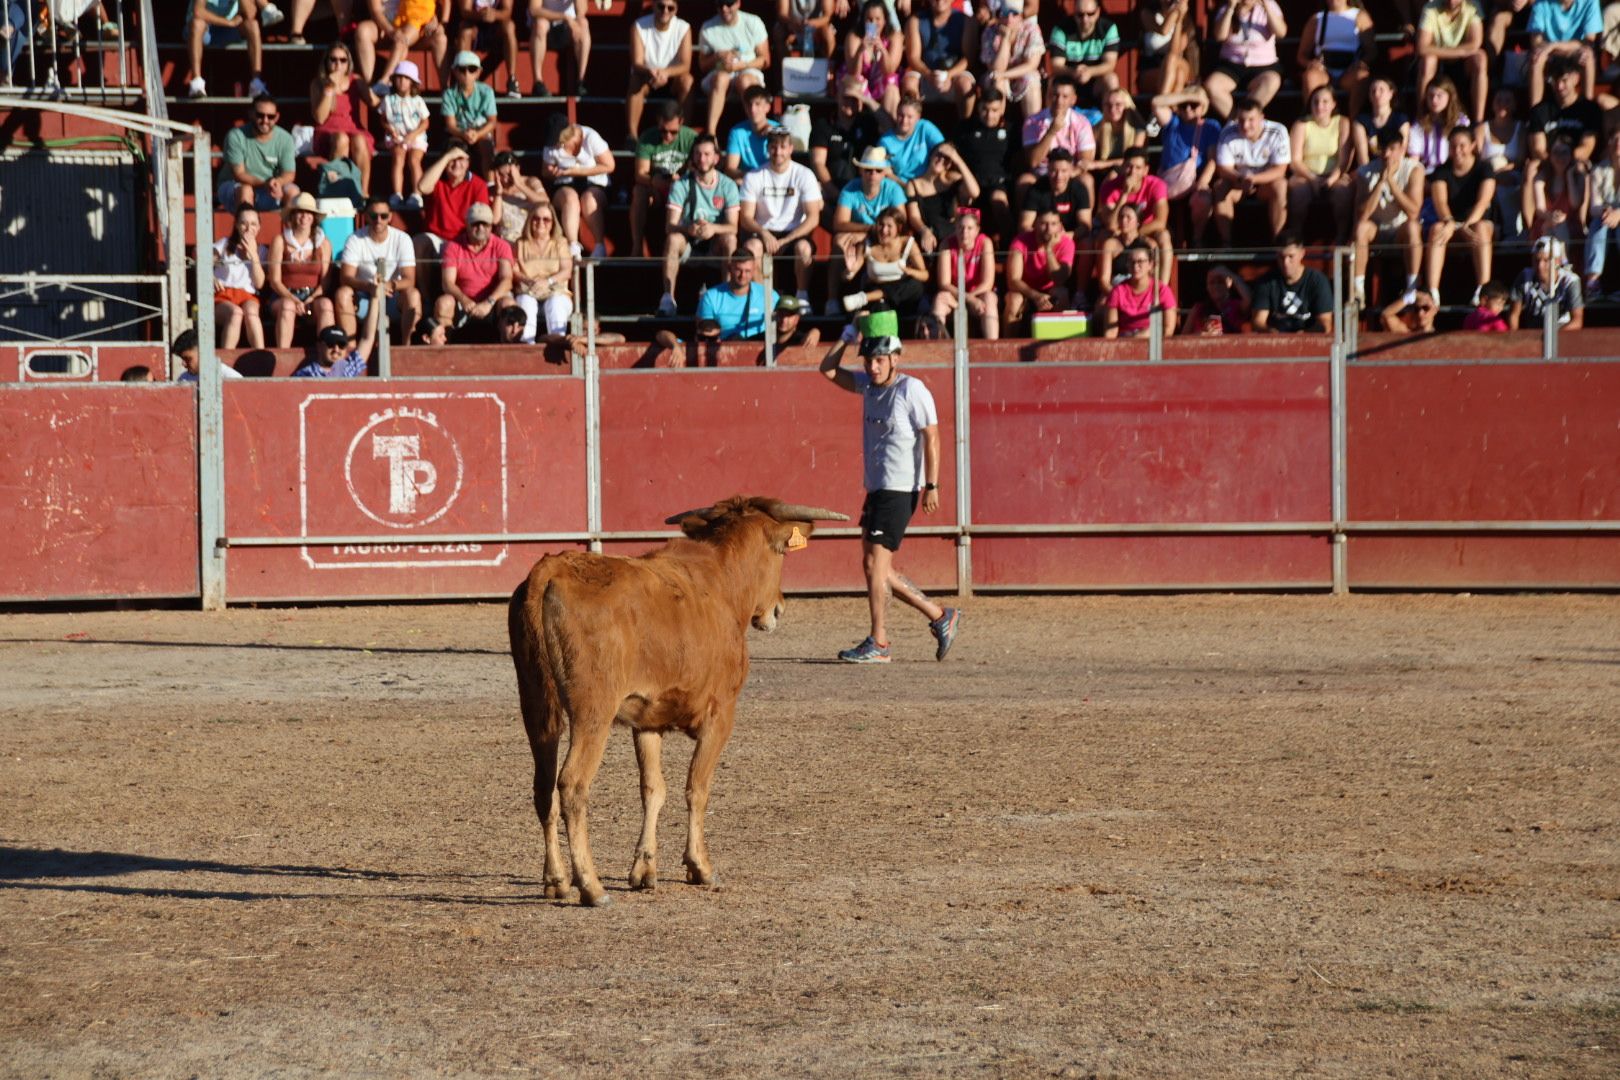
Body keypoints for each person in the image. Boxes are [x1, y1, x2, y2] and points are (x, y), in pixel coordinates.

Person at [818, 328, 959, 665]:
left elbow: (933, 436)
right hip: (878, 487)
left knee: (875, 567)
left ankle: (879, 641)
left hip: (899, 489)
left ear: (896, 359)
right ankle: (940, 615)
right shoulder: (868, 386)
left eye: (880, 360)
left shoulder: (912, 389)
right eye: (868, 360)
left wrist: (933, 485)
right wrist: (846, 336)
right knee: (875, 566)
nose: (873, 367)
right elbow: (827, 369)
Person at [739, 129, 824, 307]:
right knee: (752, 247)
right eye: (774, 147)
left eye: (783, 147)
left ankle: (802, 298)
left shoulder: (804, 174)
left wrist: (788, 239)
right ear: (768, 148)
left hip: (794, 232)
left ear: (791, 148)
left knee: (803, 248)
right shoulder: (754, 176)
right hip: (764, 232)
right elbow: (745, 217)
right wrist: (763, 233)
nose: (778, 152)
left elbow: (813, 217)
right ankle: (762, 302)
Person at [660, 133, 741, 316]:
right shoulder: (681, 184)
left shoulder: (727, 185)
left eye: (707, 154)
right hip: (689, 243)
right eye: (698, 154)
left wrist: (713, 229)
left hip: (715, 246)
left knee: (730, 239)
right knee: (673, 239)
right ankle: (667, 298)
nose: (702, 159)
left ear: (716, 157)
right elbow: (670, 225)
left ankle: (728, 298)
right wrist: (688, 228)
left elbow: (733, 226)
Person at [337, 195, 423, 347]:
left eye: (383, 216)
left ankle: (407, 348)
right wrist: (370, 287)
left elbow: (410, 279)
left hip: (393, 297)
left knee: (413, 295)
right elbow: (346, 277)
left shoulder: (402, 239)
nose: (379, 220)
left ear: (390, 217)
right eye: (373, 216)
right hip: (365, 297)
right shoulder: (355, 239)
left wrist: (390, 286)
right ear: (366, 217)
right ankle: (350, 350)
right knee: (343, 294)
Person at [1353, 132, 1425, 306]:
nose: (1386, 155)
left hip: (1400, 230)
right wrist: (1380, 183)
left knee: (1413, 227)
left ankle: (1412, 286)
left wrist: (1391, 182)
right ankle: (1358, 290)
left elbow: (1413, 211)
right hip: (1376, 230)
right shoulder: (1365, 171)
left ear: (1402, 149)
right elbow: (1362, 214)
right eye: (1383, 149)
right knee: (1361, 227)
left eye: (1392, 149)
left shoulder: (1414, 169)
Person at [1426, 125, 1496, 302]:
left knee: (1479, 229)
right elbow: (1440, 202)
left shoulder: (1484, 169)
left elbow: (1483, 201)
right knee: (1436, 229)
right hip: (1452, 223)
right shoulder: (1441, 172)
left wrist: (1467, 223)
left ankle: (1483, 289)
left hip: (1477, 222)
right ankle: (1432, 291)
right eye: (1453, 146)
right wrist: (1450, 222)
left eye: (1462, 145)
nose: (1457, 151)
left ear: (1472, 145)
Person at [416, 142, 493, 296]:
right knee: (419, 241)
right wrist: (447, 157)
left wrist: (464, 243)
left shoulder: (477, 184)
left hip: (464, 240)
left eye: (461, 159)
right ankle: (424, 298)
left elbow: (481, 220)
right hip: (437, 239)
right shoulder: (437, 179)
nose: (456, 163)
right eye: (452, 159)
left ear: (468, 163)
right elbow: (423, 187)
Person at [1212, 96, 1290, 244]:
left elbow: (1280, 170)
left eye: (1251, 120)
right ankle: (1226, 243)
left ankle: (1278, 242)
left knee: (1281, 185)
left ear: (1261, 117)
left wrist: (1253, 179)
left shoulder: (1278, 131)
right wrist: (1241, 179)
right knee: (1219, 187)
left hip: (1265, 184)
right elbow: (1223, 169)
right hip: (1238, 184)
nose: (1245, 125)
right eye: (1241, 120)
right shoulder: (1228, 132)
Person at [1151, 87, 1221, 245]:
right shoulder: (1173, 122)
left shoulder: (1210, 126)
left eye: (1193, 105)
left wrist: (1203, 182)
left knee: (1203, 198)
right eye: (1184, 105)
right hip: (1167, 180)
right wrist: (1187, 96)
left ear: (1203, 106)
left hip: (1193, 181)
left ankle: (1196, 238)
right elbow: (1156, 103)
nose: (1188, 108)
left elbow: (1212, 159)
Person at [436, 202, 517, 336]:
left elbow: (507, 280)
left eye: (485, 224)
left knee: (508, 304)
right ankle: (444, 349)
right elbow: (447, 282)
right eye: (475, 224)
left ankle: (510, 351)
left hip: (493, 300)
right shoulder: (453, 247)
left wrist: (489, 302)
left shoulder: (502, 246)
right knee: (444, 303)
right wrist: (464, 299)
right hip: (463, 302)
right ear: (467, 224)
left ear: (491, 226)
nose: (480, 228)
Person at [1288, 85, 1355, 243]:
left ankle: (1341, 236)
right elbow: (1295, 160)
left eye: (1325, 102)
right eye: (1315, 102)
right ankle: (1295, 238)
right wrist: (1313, 179)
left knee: (1343, 192)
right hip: (1306, 174)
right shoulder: (1301, 125)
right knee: (1299, 192)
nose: (1320, 106)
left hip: (1335, 174)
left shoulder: (1343, 123)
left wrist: (1330, 180)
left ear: (1333, 104)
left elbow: (1343, 160)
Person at [1018, 74, 1097, 209]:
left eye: (1065, 97)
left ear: (1073, 100)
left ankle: (1086, 225)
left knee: (1087, 180)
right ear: (1048, 96)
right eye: (1055, 95)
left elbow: (1085, 161)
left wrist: (1066, 175)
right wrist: (1051, 132)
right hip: (1043, 173)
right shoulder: (1033, 121)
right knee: (1024, 181)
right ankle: (1024, 227)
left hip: (1070, 173)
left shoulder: (1082, 122)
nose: (1059, 101)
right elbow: (1033, 161)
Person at [267, 192, 336, 348]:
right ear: (292, 215)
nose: (304, 216)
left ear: (314, 217)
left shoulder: (324, 244)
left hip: (313, 296)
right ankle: (282, 356)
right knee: (287, 307)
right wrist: (294, 299)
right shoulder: (280, 241)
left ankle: (327, 357)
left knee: (326, 305)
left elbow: (326, 280)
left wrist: (311, 299)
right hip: (283, 296)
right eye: (300, 212)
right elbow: (275, 281)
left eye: (308, 212)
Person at [309, 41, 375, 199]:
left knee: (359, 140)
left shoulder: (356, 81)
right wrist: (329, 89)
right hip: (328, 132)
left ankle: (363, 192)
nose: (338, 64)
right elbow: (320, 117)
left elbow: (374, 102)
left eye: (342, 60)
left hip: (354, 129)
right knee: (341, 139)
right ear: (327, 62)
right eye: (333, 59)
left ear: (348, 63)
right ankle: (336, 190)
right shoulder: (318, 83)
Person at [811, 76, 890, 207]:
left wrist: (867, 99)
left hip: (864, 189)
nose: (850, 102)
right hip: (832, 188)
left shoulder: (868, 122)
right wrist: (837, 195)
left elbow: (891, 128)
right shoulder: (824, 125)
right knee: (814, 197)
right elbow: (818, 163)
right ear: (837, 97)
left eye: (855, 99)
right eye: (846, 97)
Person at [838, 206, 930, 319]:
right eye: (881, 225)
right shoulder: (867, 244)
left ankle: (865, 297)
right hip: (879, 295)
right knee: (880, 307)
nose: (884, 230)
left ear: (898, 228)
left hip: (904, 297)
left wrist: (911, 271)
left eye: (889, 226)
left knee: (916, 286)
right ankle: (872, 298)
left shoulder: (908, 244)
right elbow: (849, 275)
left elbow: (925, 275)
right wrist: (849, 270)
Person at [633, 100, 699, 256]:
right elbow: (640, 173)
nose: (668, 136)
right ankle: (637, 246)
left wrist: (681, 178)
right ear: (658, 123)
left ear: (681, 122)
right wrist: (653, 181)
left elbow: (699, 169)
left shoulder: (691, 138)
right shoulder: (648, 137)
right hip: (656, 188)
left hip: (683, 188)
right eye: (663, 131)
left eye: (673, 132)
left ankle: (688, 246)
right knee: (639, 192)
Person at [1097, 147, 1172, 283]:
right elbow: (1111, 224)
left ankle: (1162, 286)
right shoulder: (1109, 187)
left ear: (1145, 170)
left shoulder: (1156, 185)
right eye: (1129, 166)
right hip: (1120, 232)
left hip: (1145, 230)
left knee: (1164, 236)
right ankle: (1103, 285)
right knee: (1102, 237)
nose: (1132, 172)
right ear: (1123, 167)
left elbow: (1160, 221)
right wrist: (1124, 194)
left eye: (1138, 168)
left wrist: (1135, 233)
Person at [698, 0, 771, 139]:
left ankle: (758, 127)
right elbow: (703, 65)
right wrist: (717, 57)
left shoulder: (753, 22)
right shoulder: (707, 28)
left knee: (745, 80)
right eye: (720, 5)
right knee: (721, 78)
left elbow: (765, 59)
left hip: (748, 71)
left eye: (729, 4)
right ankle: (711, 134)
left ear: (738, 3)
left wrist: (742, 65)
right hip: (720, 75)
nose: (724, 9)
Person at [950, 88, 1016, 240]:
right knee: (962, 195)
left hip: (998, 183)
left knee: (999, 200)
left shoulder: (1011, 130)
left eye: (994, 110)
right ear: (978, 107)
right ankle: (958, 243)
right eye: (985, 109)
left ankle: (1008, 245)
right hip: (971, 181)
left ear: (1001, 108)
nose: (989, 115)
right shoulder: (965, 128)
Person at [1203, 0, 1287, 118]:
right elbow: (1219, 36)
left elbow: (1281, 33)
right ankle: (1238, 122)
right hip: (1232, 63)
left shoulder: (1270, 5)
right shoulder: (1226, 7)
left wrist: (1266, 7)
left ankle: (1248, 118)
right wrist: (1231, 8)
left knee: (1272, 81)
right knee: (1212, 85)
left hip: (1263, 64)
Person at [542, 123, 614, 258]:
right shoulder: (551, 141)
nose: (558, 146)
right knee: (570, 198)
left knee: (589, 199)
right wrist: (553, 172)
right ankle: (573, 245)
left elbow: (610, 165)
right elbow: (545, 171)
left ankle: (599, 245)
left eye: (561, 143)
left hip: (595, 182)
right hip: (564, 183)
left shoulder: (591, 137)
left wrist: (579, 171)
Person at [217, 96, 300, 211]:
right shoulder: (236, 136)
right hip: (235, 185)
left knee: (293, 192)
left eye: (270, 116)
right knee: (245, 190)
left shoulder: (285, 139)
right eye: (260, 115)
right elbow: (239, 174)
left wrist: (278, 183)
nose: (265, 120)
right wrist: (267, 184)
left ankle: (290, 229)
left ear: (277, 117)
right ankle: (243, 227)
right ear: (251, 114)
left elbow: (289, 174)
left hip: (270, 187)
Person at [1297, 0, 1375, 122]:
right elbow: (1301, 55)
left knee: (1362, 76)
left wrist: (1362, 62)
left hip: (1350, 69)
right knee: (1310, 76)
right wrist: (1311, 63)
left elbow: (1371, 51)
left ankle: (1355, 123)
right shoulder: (1317, 19)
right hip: (1324, 70)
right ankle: (1313, 121)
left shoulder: (1359, 16)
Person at [627, 0, 693, 138]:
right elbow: (637, 62)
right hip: (647, 77)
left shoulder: (683, 27)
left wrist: (665, 73)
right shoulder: (639, 25)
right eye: (661, 6)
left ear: (676, 9)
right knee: (635, 80)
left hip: (672, 80)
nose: (665, 11)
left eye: (670, 8)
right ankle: (632, 135)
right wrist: (652, 72)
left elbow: (686, 65)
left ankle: (684, 135)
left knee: (688, 81)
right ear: (653, 6)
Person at [1415, 0, 1488, 124]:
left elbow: (1476, 43)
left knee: (1480, 58)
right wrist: (1461, 52)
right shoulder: (1430, 8)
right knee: (1428, 61)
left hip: (1464, 63)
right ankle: (1422, 116)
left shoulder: (1473, 6)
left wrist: (1460, 53)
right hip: (1439, 61)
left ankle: (1478, 121)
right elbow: (1422, 47)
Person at [932, 207, 999, 339]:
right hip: (956, 296)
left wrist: (971, 298)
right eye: (961, 227)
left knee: (990, 298)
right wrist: (968, 299)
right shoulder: (946, 244)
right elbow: (944, 283)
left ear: (977, 230)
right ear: (955, 229)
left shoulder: (985, 242)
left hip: (979, 295)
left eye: (969, 228)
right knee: (940, 298)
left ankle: (992, 347)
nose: (964, 232)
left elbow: (988, 282)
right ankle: (936, 346)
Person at [903, 0, 979, 116]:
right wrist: (928, 74)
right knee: (909, 83)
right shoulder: (915, 21)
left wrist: (949, 75)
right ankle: (913, 126)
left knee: (966, 84)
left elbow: (968, 58)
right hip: (926, 73)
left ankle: (965, 127)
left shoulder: (967, 21)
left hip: (954, 75)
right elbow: (913, 57)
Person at [512, 204, 575, 344]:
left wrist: (548, 281)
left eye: (546, 219)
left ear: (553, 223)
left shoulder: (560, 242)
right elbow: (514, 271)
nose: (541, 223)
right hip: (529, 291)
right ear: (530, 221)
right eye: (536, 218)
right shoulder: (521, 243)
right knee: (525, 302)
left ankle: (557, 344)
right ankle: (526, 348)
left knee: (555, 303)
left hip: (556, 292)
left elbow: (567, 271)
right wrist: (530, 282)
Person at [905, 143, 981, 258]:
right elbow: (914, 216)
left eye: (947, 158)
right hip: (931, 238)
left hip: (954, 239)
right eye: (938, 155)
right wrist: (924, 231)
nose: (941, 160)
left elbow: (975, 192)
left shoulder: (953, 179)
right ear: (930, 156)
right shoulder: (914, 184)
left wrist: (957, 159)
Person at [1003, 208, 1074, 330]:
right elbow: (1013, 280)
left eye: (1053, 224)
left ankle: (1059, 343)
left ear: (1060, 226)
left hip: (1051, 291)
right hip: (1025, 291)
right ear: (1035, 224)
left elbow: (1060, 279)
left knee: (1061, 293)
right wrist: (1035, 296)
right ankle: (1006, 346)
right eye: (1043, 224)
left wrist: (1048, 249)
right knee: (1014, 300)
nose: (1048, 229)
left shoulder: (1067, 243)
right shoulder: (1020, 241)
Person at [184, 0, 269, 99]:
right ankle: (197, 82)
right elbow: (198, 12)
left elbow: (250, 14)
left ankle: (256, 83)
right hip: (204, 30)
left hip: (228, 30)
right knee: (197, 23)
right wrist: (228, 22)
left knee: (252, 24)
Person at [1252, 232, 1334, 333]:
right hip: (1275, 342)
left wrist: (1304, 335)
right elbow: (1258, 321)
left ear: (1302, 254)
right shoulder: (1266, 281)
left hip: (1309, 341)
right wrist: (1271, 333)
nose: (1286, 262)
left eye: (1291, 256)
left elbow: (1325, 323)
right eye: (1281, 257)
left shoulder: (1317, 281)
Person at [356, 0, 448, 89]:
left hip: (417, 27)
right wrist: (391, 31)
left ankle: (446, 90)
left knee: (440, 38)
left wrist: (438, 21)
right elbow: (376, 11)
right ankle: (369, 84)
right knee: (363, 31)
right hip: (386, 26)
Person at [1046, 0, 1120, 108]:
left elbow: (1110, 64)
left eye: (1090, 14)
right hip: (1069, 80)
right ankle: (1049, 121)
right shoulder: (1061, 29)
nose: (1085, 19)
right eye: (1080, 15)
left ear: (1098, 12)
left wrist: (1089, 72)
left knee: (1111, 79)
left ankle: (1110, 122)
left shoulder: (1108, 28)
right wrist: (1074, 72)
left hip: (1096, 81)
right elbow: (1056, 66)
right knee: (1052, 82)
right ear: (1074, 13)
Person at [979, 0, 1045, 118]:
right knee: (996, 80)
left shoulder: (1031, 29)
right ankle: (998, 125)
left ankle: (1033, 128)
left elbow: (1031, 65)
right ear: (999, 15)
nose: (1009, 18)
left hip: (1020, 74)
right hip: (999, 76)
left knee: (1031, 79)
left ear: (1020, 16)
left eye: (1014, 14)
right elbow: (996, 69)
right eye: (1005, 13)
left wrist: (1005, 75)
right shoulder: (990, 31)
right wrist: (1005, 40)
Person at [379, 59, 431, 211]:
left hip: (416, 137)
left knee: (414, 160)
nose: (402, 82)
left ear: (412, 82)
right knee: (398, 157)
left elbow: (425, 122)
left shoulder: (417, 101)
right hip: (397, 137)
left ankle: (416, 193)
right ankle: (397, 193)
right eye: (399, 78)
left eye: (406, 78)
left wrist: (413, 135)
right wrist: (390, 129)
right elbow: (383, 119)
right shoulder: (388, 100)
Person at [841, 0, 904, 122]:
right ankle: (854, 131)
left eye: (877, 19)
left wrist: (882, 49)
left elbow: (889, 71)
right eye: (869, 19)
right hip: (859, 80)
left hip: (881, 82)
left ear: (885, 20)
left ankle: (889, 130)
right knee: (851, 86)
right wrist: (861, 50)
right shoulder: (854, 36)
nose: (873, 23)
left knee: (891, 88)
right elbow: (854, 72)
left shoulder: (894, 36)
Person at [213, 205, 266, 350]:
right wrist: (210, 277)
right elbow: (200, 258)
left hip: (247, 296)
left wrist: (253, 255)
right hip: (223, 294)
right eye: (244, 223)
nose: (249, 228)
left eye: (253, 224)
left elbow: (259, 283)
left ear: (259, 227)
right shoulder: (225, 244)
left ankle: (261, 356)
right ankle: (226, 360)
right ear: (236, 225)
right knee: (236, 313)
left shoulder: (262, 251)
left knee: (252, 313)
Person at [1526, 0, 1602, 101]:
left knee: (1588, 56)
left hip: (1574, 52)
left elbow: (1589, 41)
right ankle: (1535, 111)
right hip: (1550, 54)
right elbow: (1536, 41)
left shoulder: (1590, 2)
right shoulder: (1541, 3)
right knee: (1537, 58)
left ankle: (1587, 108)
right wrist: (1552, 49)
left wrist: (1555, 45)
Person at [696, 249, 777, 341]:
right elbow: (705, 332)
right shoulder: (711, 296)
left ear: (754, 270)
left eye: (747, 271)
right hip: (723, 349)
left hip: (760, 348)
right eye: (738, 270)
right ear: (729, 268)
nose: (743, 275)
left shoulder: (769, 294)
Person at [443, 50, 499, 177]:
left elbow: (492, 121)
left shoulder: (486, 91)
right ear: (455, 72)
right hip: (458, 132)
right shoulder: (449, 94)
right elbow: (450, 125)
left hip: (481, 131)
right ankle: (455, 182)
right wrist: (463, 133)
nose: (467, 74)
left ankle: (490, 185)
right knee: (454, 150)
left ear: (478, 73)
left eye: (472, 69)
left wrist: (477, 134)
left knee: (487, 148)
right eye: (462, 70)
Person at [1102, 243, 1178, 338]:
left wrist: (1143, 336)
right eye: (1131, 262)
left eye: (1140, 261)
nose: (1135, 266)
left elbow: (1168, 329)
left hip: (1153, 342)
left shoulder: (1162, 291)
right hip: (1124, 343)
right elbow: (1111, 331)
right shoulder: (1118, 291)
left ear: (1151, 264)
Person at [1510, 235, 1584, 329]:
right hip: (1532, 333)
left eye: (1546, 260)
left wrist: (1553, 339)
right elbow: (1514, 314)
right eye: (1537, 260)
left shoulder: (1570, 281)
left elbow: (1577, 320)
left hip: (1563, 334)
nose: (1540, 265)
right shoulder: (1525, 277)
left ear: (1557, 261)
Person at [1581, 128, 1620, 300]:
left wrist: (1618, 214)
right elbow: (1593, 206)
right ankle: (1592, 282)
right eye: (1615, 139)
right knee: (1598, 224)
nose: (1619, 144)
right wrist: (1607, 212)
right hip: (1605, 219)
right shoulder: (1598, 170)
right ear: (1609, 143)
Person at [456, 0, 521, 98]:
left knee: (509, 26)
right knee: (465, 31)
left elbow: (507, 11)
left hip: (497, 25)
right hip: (474, 23)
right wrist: (481, 15)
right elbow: (465, 11)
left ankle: (512, 80)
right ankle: (464, 81)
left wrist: (494, 14)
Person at [877, 95, 947, 183]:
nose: (904, 121)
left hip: (928, 182)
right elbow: (886, 173)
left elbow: (944, 148)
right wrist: (906, 188)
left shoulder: (925, 127)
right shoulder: (885, 141)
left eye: (909, 117)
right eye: (901, 115)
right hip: (900, 186)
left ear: (918, 118)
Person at [1408, 75, 1468, 175]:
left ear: (1450, 97)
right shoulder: (1419, 123)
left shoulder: (1460, 122)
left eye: (1439, 96)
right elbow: (1414, 159)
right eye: (1431, 95)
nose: (1434, 100)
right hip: (1425, 173)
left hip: (1451, 172)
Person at [530, 0, 592, 95]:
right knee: (540, 25)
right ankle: (538, 82)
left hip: (569, 27)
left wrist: (576, 20)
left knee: (583, 23)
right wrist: (563, 17)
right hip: (546, 25)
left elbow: (582, 10)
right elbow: (534, 10)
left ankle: (581, 81)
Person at [1134, 0, 1195, 97]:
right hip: (1153, 66)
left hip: (1178, 62)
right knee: (1179, 75)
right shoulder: (1148, 14)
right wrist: (1175, 13)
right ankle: (1169, 108)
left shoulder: (1187, 21)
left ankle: (1160, 105)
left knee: (1171, 59)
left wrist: (1179, 21)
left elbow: (1174, 51)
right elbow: (1163, 30)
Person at [489, 149, 551, 243]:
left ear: (517, 169)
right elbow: (495, 220)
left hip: (530, 239)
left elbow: (545, 202)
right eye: (501, 175)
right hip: (506, 240)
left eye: (509, 174)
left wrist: (519, 184)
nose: (506, 179)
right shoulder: (492, 190)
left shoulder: (531, 182)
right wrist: (498, 194)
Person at [723, 84, 782, 180]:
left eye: (757, 104)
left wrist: (774, 136)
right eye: (749, 104)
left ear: (767, 107)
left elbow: (784, 166)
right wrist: (753, 178)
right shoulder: (737, 132)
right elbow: (730, 169)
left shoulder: (779, 129)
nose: (752, 109)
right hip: (748, 182)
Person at [1352, 74, 1409, 166]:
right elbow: (1363, 157)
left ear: (1391, 93)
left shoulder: (1401, 120)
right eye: (1373, 91)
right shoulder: (1361, 121)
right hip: (1371, 168)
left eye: (1381, 90)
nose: (1376, 94)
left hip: (1395, 166)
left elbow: (1401, 152)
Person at [1184, 265, 1252, 334]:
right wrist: (1202, 333)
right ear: (1207, 286)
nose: (1216, 286)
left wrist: (1228, 273)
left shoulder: (1237, 305)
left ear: (1229, 283)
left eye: (1220, 282)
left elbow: (1248, 298)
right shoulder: (1198, 308)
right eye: (1212, 282)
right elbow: (1183, 336)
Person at [171, 327, 245, 382]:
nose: (183, 364)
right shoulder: (183, 379)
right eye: (182, 359)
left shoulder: (230, 377)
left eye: (188, 358)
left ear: (203, 353)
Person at [293, 324, 369, 377]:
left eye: (341, 345)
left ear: (345, 349)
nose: (336, 349)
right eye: (330, 343)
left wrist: (375, 301)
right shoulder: (306, 375)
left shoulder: (348, 369)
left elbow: (367, 339)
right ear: (319, 346)